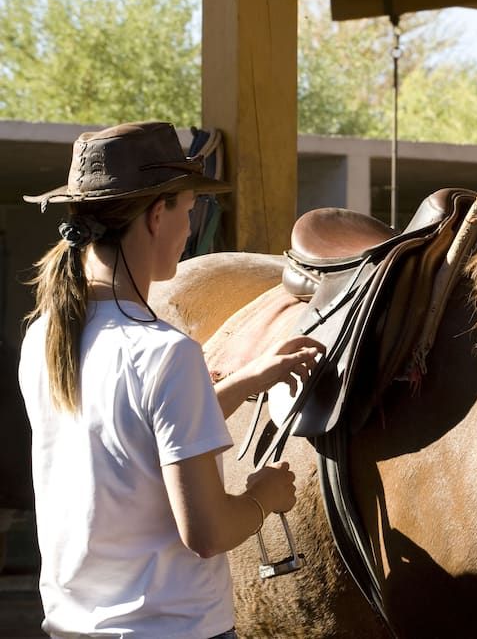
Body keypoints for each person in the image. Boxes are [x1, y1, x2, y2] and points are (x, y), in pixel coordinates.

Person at [18, 121, 324, 638]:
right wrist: (263, 497)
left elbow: (129, 445)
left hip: (69, 625)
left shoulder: (45, 335)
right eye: (188, 210)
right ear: (158, 215)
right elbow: (207, 534)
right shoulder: (165, 353)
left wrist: (242, 381)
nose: (188, 229)